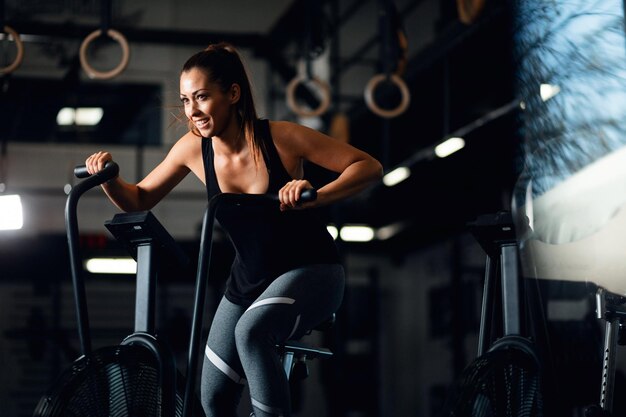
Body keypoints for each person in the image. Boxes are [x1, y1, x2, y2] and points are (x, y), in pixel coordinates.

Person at [85, 42, 383, 417]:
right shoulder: (193, 149)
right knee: (212, 398)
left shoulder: (282, 138)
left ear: (233, 94)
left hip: (312, 271)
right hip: (247, 283)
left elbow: (368, 166)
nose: (192, 110)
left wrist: (316, 196)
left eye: (202, 97)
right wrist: (107, 178)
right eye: (185, 100)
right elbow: (140, 198)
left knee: (251, 333)